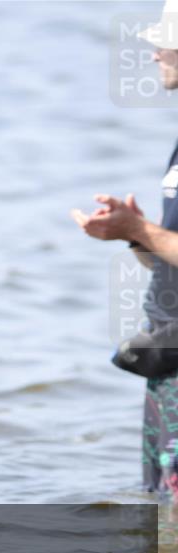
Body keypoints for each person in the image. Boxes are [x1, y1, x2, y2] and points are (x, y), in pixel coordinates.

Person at [72, 2, 178, 493]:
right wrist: (134, 233)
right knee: (160, 509)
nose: (155, 54)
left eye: (165, 42)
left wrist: (139, 227)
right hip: (167, 357)